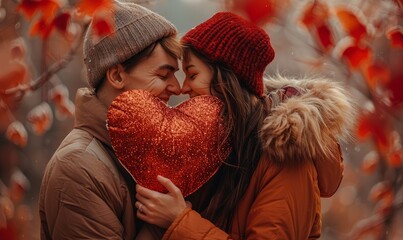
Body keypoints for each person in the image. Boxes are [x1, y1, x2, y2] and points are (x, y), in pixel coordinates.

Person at [134, 12, 355, 239]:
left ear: (227, 79)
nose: (183, 88)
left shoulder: (286, 158)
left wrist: (180, 222)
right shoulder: (220, 145)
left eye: (192, 74)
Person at [38, 1, 182, 239]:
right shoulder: (78, 168)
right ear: (116, 75)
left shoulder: (142, 153)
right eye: (162, 74)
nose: (177, 88)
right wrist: (168, 224)